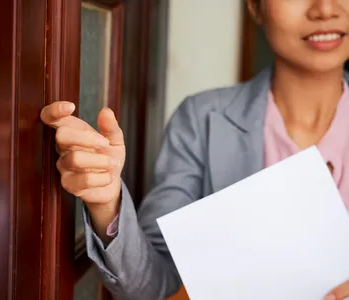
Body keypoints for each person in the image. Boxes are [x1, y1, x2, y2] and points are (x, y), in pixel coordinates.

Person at [40, 0, 349, 299]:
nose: (325, 8)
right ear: (254, 6)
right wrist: (107, 201)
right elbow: (153, 286)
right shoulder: (202, 120)